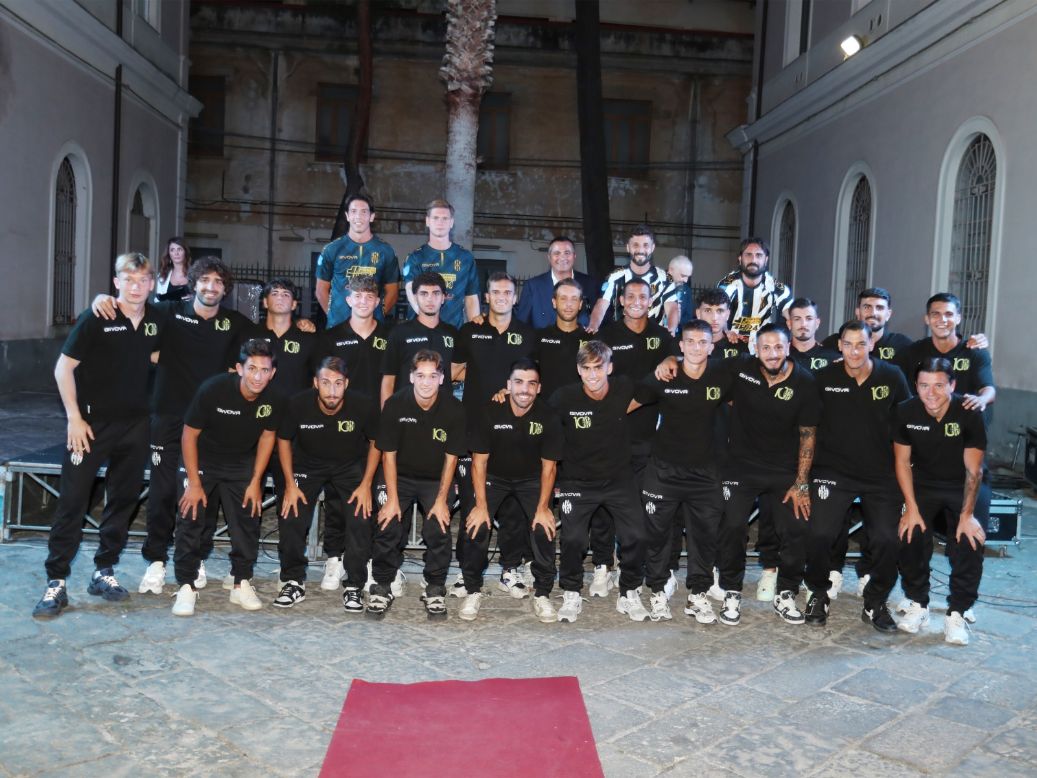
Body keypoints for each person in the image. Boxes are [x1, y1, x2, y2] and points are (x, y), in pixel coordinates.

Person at [94, 257, 254, 595]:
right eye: (205, 280)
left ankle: (195, 558)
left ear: (225, 289)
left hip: (210, 423)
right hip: (167, 416)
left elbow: (263, 350)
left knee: (201, 493)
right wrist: (103, 300)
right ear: (194, 283)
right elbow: (130, 314)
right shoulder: (167, 312)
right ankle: (156, 560)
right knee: (163, 492)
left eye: (218, 282)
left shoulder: (237, 324)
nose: (211, 287)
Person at [33, 254, 164, 618]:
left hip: (136, 426)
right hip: (90, 426)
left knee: (122, 500)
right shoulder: (97, 316)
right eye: (129, 280)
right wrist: (74, 418)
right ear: (116, 282)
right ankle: (56, 581)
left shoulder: (158, 321)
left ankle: (103, 570)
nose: (136, 287)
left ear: (152, 284)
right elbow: (63, 369)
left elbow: (166, 350)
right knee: (73, 502)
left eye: (143, 280)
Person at [802, 320, 910, 631]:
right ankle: (818, 592)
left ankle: (875, 600)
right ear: (839, 346)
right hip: (832, 471)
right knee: (820, 534)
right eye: (848, 344)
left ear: (871, 344)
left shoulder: (892, 376)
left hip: (880, 474)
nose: (854, 351)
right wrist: (802, 478)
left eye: (861, 344)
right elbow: (808, 428)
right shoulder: (823, 378)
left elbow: (905, 428)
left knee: (887, 539)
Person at [170, 338, 285, 616]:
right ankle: (186, 585)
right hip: (202, 459)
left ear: (273, 373)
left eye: (265, 370)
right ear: (239, 368)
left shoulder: (274, 398)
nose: (258, 376)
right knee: (191, 516)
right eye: (252, 368)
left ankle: (240, 581)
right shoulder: (214, 389)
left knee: (248, 517)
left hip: (240, 462)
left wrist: (256, 481)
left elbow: (267, 437)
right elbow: (189, 435)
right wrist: (194, 483)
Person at [716, 323, 819, 626]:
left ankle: (786, 592)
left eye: (778, 347)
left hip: (784, 470)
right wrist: (672, 360)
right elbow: (700, 366)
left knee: (796, 527)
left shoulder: (805, 381)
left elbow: (808, 434)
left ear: (788, 347)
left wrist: (801, 482)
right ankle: (731, 589)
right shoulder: (741, 370)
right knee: (733, 525)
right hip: (741, 466)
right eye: (766, 348)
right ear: (756, 349)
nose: (772, 354)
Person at [631, 319, 732, 624]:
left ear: (711, 346)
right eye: (691, 342)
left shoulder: (724, 373)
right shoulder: (665, 375)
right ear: (681, 345)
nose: (697, 347)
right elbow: (625, 405)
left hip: (706, 474)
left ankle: (698, 594)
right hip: (664, 471)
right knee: (658, 536)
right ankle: (658, 590)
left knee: (704, 537)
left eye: (703, 342)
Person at [549, 341, 649, 623]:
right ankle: (571, 591)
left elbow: (656, 389)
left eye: (598, 367)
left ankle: (629, 591)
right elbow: (537, 415)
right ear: (578, 370)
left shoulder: (624, 388)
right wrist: (506, 394)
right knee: (572, 539)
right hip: (577, 481)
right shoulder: (564, 397)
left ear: (609, 367)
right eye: (587, 368)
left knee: (636, 536)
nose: (593, 374)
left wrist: (669, 363)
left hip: (619, 479)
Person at [451, 272, 537, 598]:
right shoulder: (470, 331)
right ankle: (467, 572)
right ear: (487, 297)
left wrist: (511, 391)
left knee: (513, 509)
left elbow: (533, 380)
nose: (502, 296)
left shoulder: (527, 334)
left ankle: (510, 569)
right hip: (474, 432)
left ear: (515, 298)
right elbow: (454, 372)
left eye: (508, 292)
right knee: (472, 504)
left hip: (514, 435)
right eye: (496, 292)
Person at [893, 357, 989, 645]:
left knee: (969, 539)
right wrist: (911, 508)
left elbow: (974, 471)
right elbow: (902, 462)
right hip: (923, 484)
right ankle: (918, 602)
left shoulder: (969, 412)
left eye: (938, 385)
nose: (931, 393)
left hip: (963, 485)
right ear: (916, 386)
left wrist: (966, 516)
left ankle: (958, 611)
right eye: (924, 385)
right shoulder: (905, 411)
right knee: (909, 532)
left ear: (952, 385)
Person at [367, 349, 467, 619]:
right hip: (398, 475)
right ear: (411, 377)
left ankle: (434, 586)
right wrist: (392, 500)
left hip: (435, 479)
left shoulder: (455, 409)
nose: (426, 382)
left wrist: (441, 500)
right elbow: (388, 455)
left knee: (438, 525)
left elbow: (452, 458)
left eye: (432, 376)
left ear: (442, 378)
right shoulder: (395, 404)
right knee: (387, 522)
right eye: (420, 375)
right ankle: (382, 584)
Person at [463, 359, 564, 622]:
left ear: (539, 388)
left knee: (543, 527)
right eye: (518, 382)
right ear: (508, 385)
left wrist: (543, 508)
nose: (524, 389)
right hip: (494, 478)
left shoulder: (549, 416)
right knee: (477, 525)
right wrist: (481, 506)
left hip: (530, 479)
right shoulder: (489, 411)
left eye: (531, 384)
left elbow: (549, 468)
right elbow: (478, 463)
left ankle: (542, 593)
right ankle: (472, 590)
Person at [275, 357, 379, 612]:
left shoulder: (363, 405)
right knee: (291, 514)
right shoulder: (297, 404)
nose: (332, 390)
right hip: (307, 465)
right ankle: (293, 580)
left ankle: (354, 585)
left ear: (346, 384)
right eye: (326, 383)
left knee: (361, 516)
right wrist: (290, 484)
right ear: (315, 383)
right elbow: (283, 440)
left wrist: (366, 484)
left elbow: (377, 443)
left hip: (348, 466)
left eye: (338, 383)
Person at [314, 194, 400, 328]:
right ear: (347, 216)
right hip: (338, 326)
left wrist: (377, 315)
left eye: (364, 212)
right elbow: (320, 291)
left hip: (372, 328)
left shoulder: (385, 251)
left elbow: (393, 292)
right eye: (353, 211)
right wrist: (334, 317)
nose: (358, 216)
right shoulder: (332, 249)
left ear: (372, 216)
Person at [380, 272, 461, 407]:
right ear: (415, 297)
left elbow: (458, 371)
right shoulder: (399, 333)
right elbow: (388, 379)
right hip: (405, 410)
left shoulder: (453, 333)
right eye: (424, 294)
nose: (430, 299)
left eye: (436, 293)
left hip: (442, 411)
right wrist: (386, 414)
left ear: (443, 298)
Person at [401, 199, 482, 328]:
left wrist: (474, 330)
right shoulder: (415, 257)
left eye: (445, 218)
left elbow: (471, 298)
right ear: (427, 221)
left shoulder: (465, 257)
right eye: (435, 218)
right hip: (421, 330)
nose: (440, 222)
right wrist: (429, 321)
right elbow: (411, 291)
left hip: (454, 331)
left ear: (451, 222)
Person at [588, 225, 678, 332]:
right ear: (628, 247)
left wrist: (671, 330)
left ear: (652, 248)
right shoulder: (614, 277)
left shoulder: (665, 278)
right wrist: (593, 326)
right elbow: (601, 305)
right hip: (621, 337)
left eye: (645, 245)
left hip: (655, 338)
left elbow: (672, 308)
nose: (640, 250)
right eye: (635, 245)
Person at [318, 276, 391, 402]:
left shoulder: (390, 336)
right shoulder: (331, 337)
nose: (363, 301)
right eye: (357, 296)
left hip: (379, 410)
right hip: (342, 411)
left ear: (377, 302)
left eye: (369, 297)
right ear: (349, 300)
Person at [716, 237, 793, 348]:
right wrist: (726, 331)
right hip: (730, 345)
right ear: (740, 258)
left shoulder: (776, 288)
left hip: (763, 348)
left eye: (759, 255)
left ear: (766, 260)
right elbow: (716, 313)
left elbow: (792, 316)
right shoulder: (727, 285)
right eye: (748, 255)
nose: (753, 260)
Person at [250, 277, 318, 396]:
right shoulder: (250, 335)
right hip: (257, 406)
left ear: (294, 304)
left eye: (286, 294)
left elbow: (319, 378)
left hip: (296, 406)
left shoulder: (309, 338)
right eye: (275, 293)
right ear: (265, 302)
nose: (280, 298)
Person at [514, 236, 598, 328]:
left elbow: (599, 321)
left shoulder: (590, 284)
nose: (562, 257)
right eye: (557, 253)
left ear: (574, 256)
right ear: (549, 257)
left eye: (567, 253)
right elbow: (521, 324)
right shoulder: (533, 286)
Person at [534, 278, 589, 396]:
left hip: (581, 406)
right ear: (554, 302)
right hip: (547, 405)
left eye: (574, 299)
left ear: (580, 304)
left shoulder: (592, 339)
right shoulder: (539, 337)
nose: (569, 304)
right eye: (563, 298)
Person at [785, 298, 839, 372]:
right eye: (797, 319)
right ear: (789, 324)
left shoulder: (832, 359)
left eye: (809, 319)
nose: (803, 324)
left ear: (817, 323)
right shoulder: (779, 357)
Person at [154, 237, 192, 302]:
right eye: (172, 250)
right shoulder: (162, 276)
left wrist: (193, 298)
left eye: (179, 249)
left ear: (185, 252)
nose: (176, 253)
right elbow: (157, 301)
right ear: (169, 254)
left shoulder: (195, 275)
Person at [667, 255, 695, 332]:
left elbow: (688, 317)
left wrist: (678, 320)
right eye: (683, 276)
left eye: (688, 277)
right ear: (671, 270)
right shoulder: (656, 285)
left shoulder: (686, 289)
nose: (686, 280)